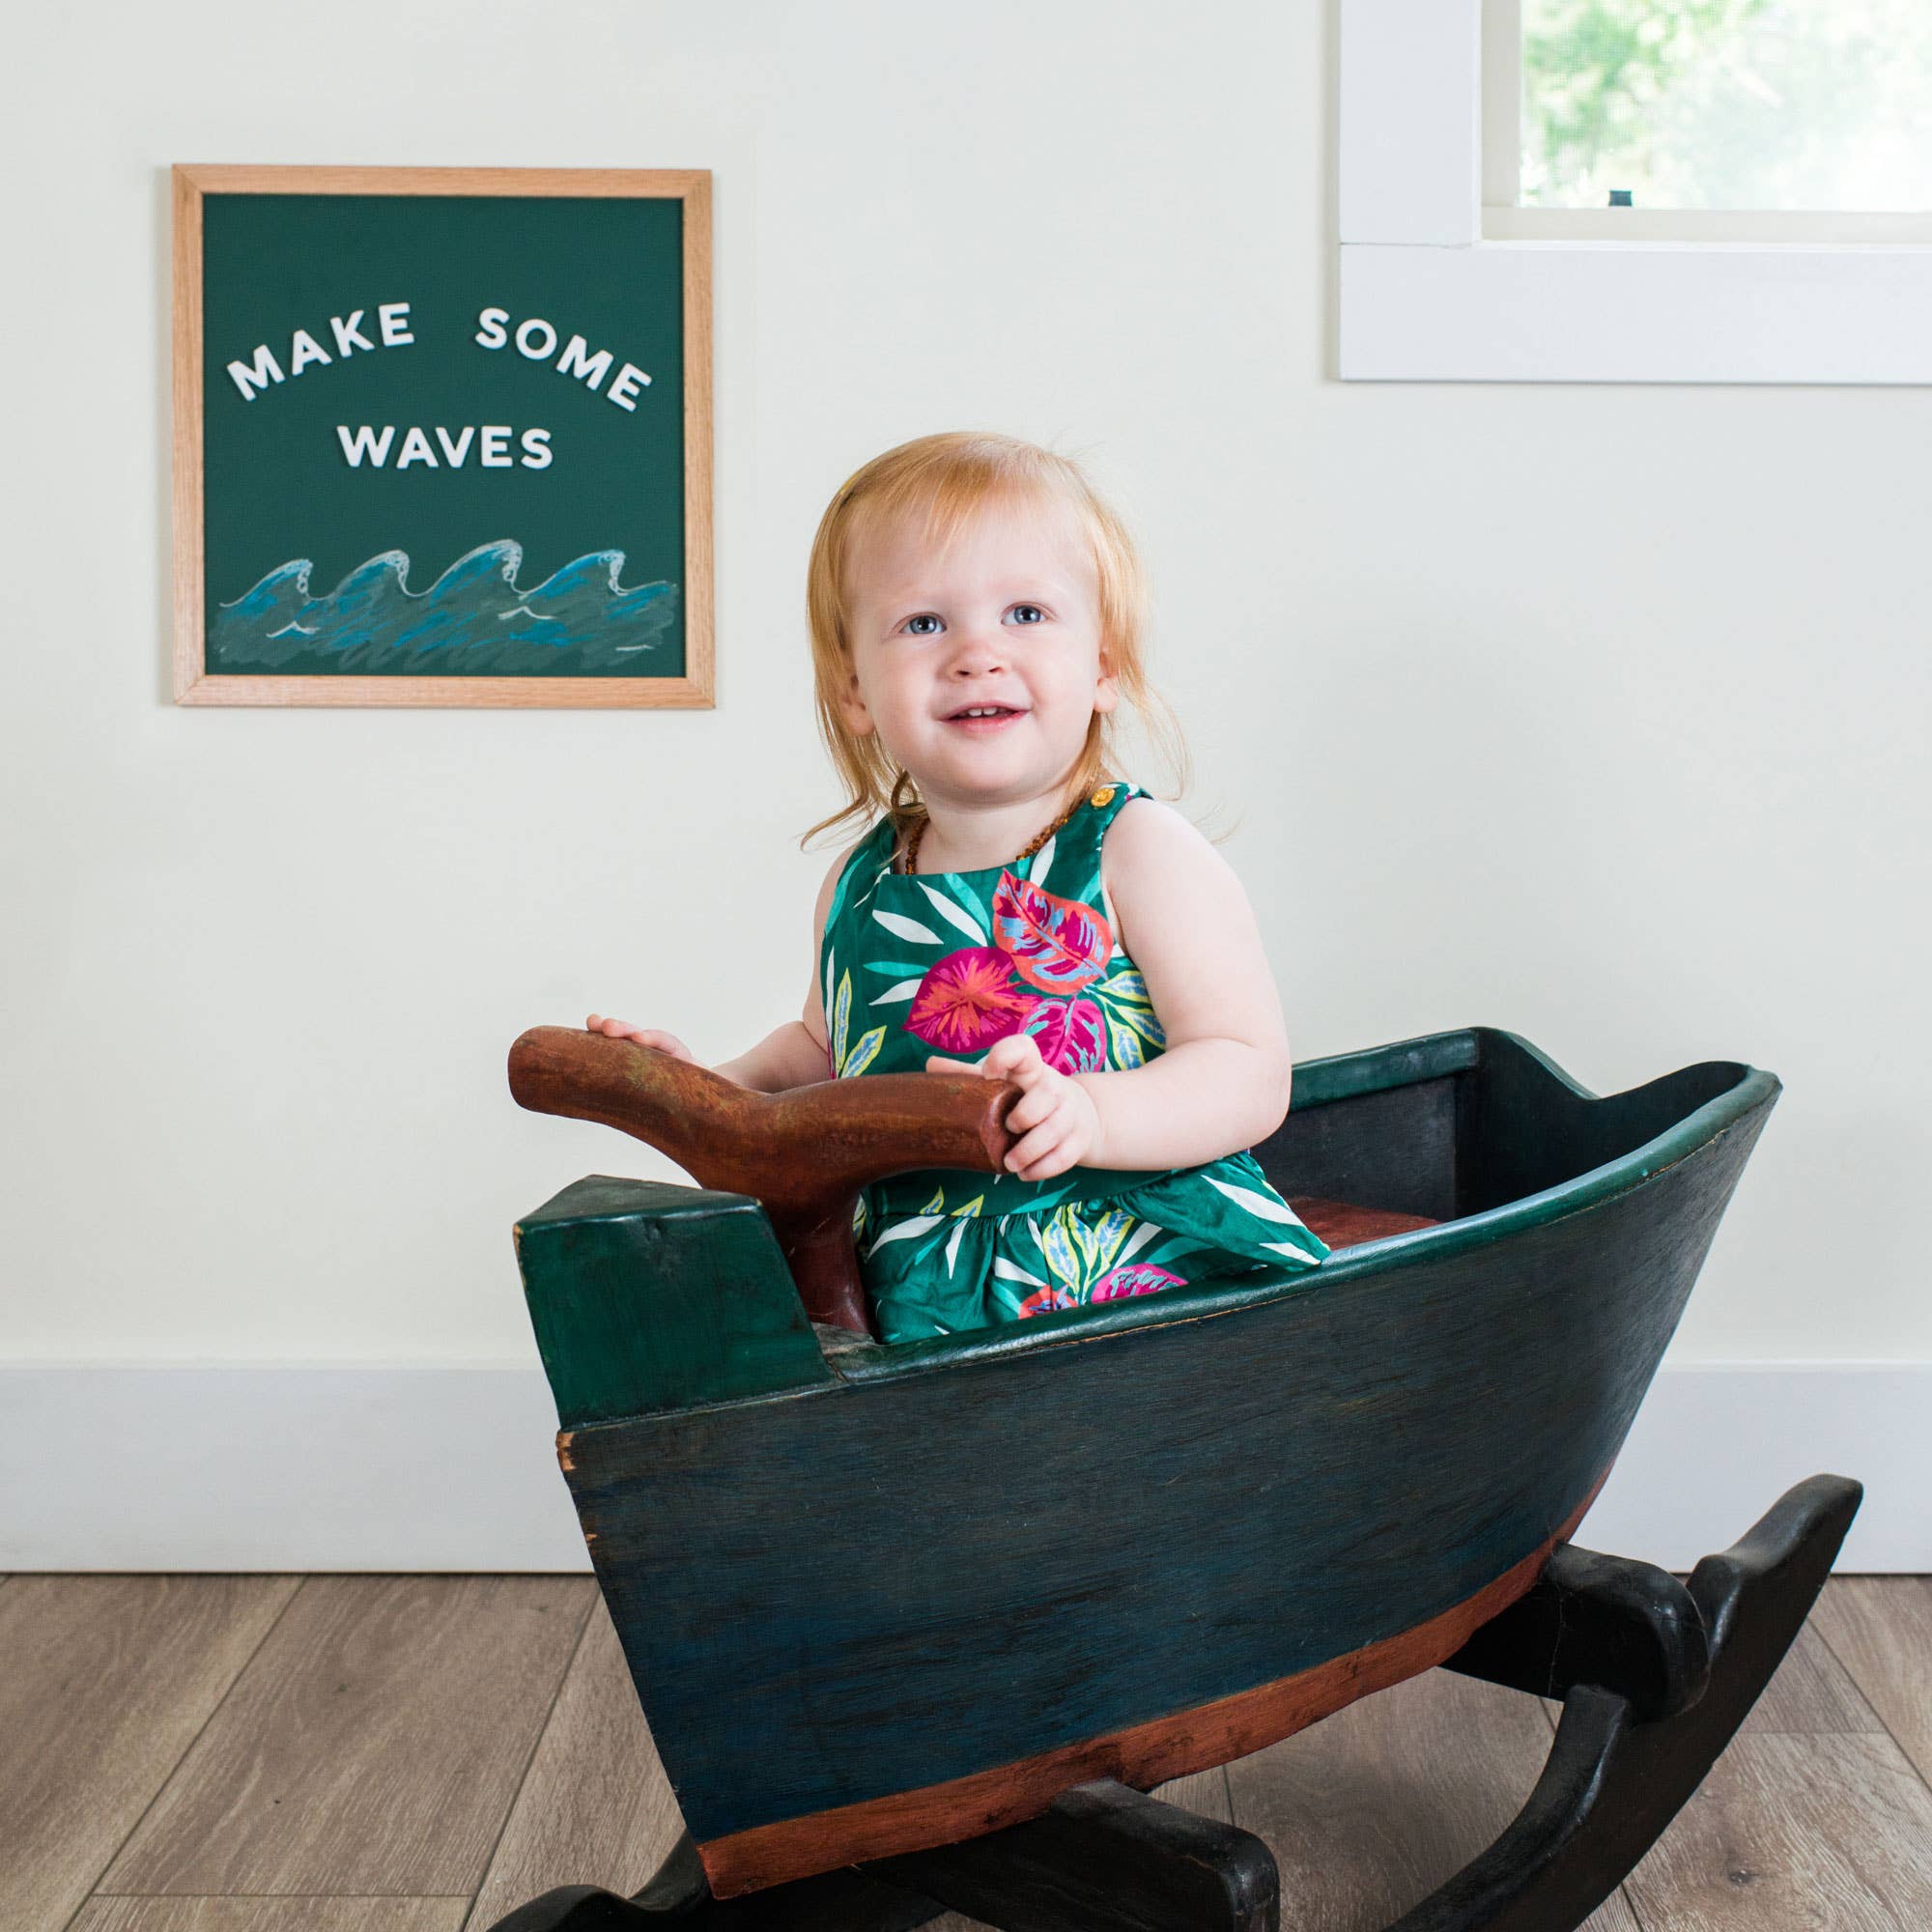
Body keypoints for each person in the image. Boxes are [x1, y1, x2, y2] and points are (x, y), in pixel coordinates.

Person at [588, 430, 1328, 1341]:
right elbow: (828, 1054)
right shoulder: (859, 884)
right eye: (925, 623)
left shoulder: (1133, 850)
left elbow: (1246, 1071)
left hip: (1139, 1286)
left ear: (1102, 664)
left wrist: (1093, 1112)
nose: (977, 653)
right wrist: (714, 1089)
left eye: (1025, 613)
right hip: (922, 1292)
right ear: (855, 688)